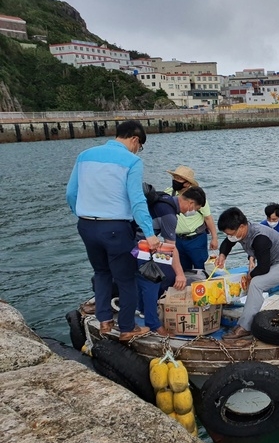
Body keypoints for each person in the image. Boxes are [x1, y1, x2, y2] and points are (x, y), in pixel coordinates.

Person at [66, 120, 160, 343]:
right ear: (135, 140)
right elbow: (137, 200)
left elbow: (71, 193)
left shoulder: (85, 155)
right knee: (126, 279)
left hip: (87, 226)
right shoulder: (132, 161)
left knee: (101, 273)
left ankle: (105, 321)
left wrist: (81, 213)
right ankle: (127, 328)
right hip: (116, 228)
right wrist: (150, 233)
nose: (138, 150)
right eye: (140, 145)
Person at [215, 207, 279, 340]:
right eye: (227, 234)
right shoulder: (241, 232)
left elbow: (263, 268)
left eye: (231, 233)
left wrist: (251, 275)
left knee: (256, 283)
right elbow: (228, 243)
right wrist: (222, 255)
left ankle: (245, 327)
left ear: (242, 226)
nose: (230, 237)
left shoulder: (259, 237)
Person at [136, 186, 206, 336]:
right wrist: (180, 274)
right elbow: (171, 248)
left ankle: (141, 308)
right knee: (154, 277)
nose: (193, 212)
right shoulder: (169, 216)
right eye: (196, 209)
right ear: (191, 204)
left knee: (142, 277)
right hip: (136, 244)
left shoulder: (164, 198)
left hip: (128, 239)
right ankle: (154, 324)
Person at [165, 166, 218, 273]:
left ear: (187, 183)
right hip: (177, 239)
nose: (175, 181)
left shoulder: (197, 196)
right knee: (182, 270)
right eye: (174, 177)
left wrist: (214, 238)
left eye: (179, 179)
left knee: (202, 269)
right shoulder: (168, 193)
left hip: (196, 238)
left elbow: (208, 217)